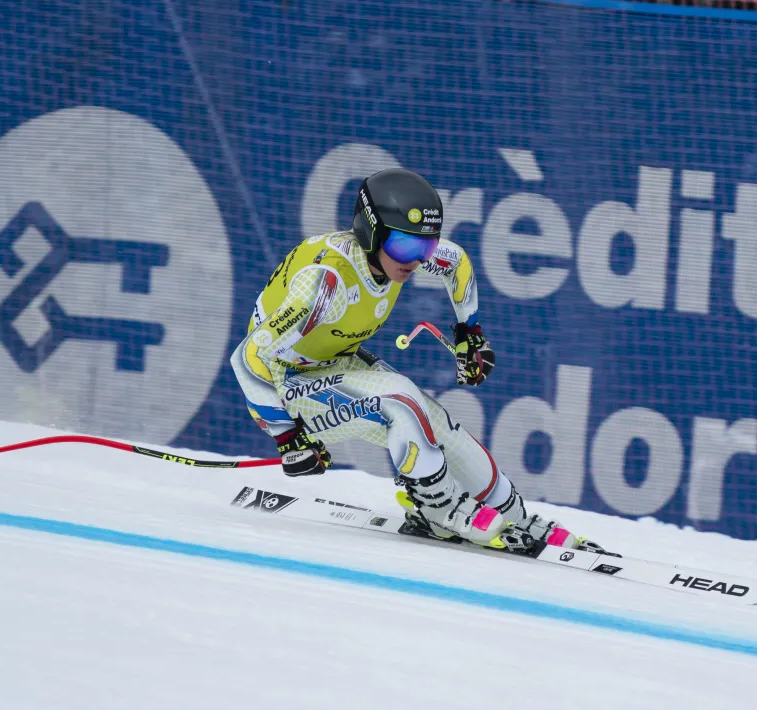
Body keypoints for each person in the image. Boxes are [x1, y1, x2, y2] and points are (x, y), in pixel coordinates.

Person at [230, 168, 600, 554]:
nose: (415, 261)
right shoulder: (326, 285)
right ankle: (439, 509)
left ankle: (516, 517)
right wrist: (287, 436)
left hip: (333, 363)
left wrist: (468, 331)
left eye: (424, 248)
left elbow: (456, 261)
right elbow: (247, 357)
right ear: (371, 231)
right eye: (407, 248)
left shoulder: (395, 252)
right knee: (400, 399)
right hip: (281, 383)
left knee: (437, 422)